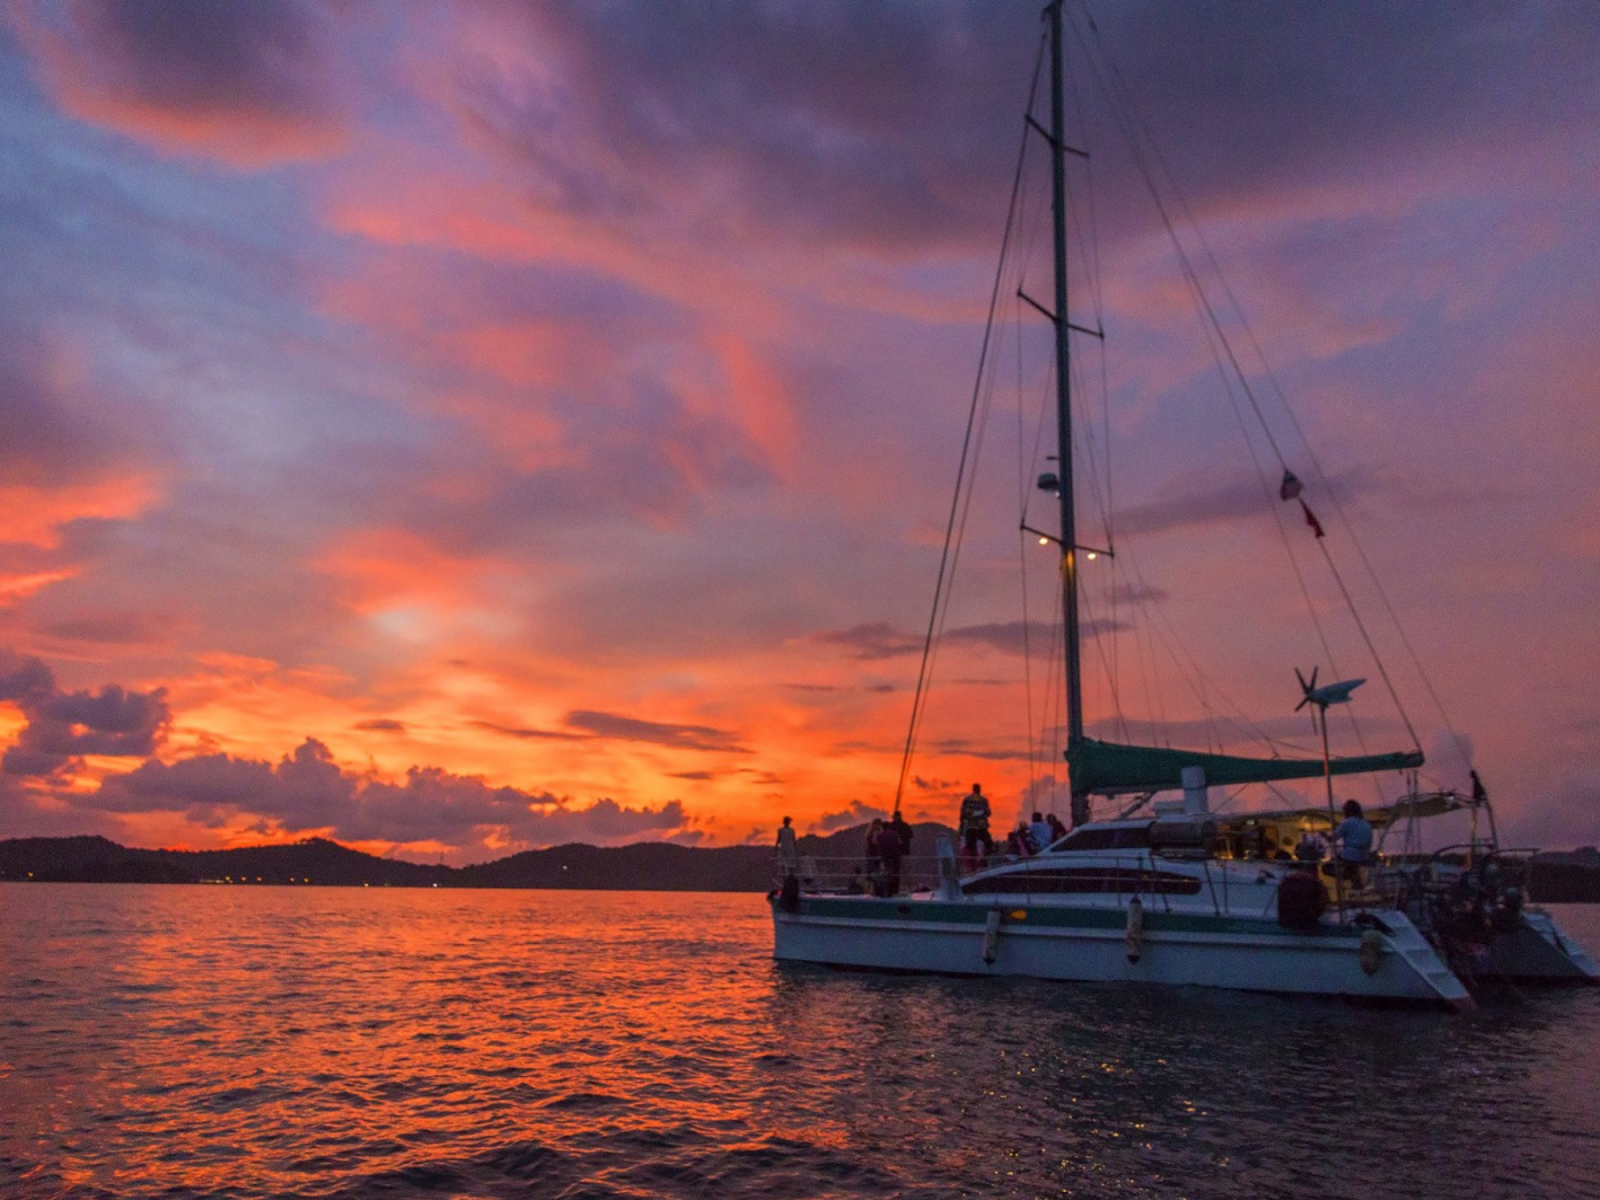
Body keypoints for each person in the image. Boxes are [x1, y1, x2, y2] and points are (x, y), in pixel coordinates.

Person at [1329, 799, 1374, 890]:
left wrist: (1324, 835)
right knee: (1353, 873)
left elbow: (1333, 838)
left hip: (1350, 856)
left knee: (1327, 867)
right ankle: (1355, 883)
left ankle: (1345, 879)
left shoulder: (1347, 823)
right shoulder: (1366, 824)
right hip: (1364, 856)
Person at [958, 784, 994, 870]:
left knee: (982, 846)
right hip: (975, 827)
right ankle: (976, 866)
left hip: (977, 827)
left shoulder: (981, 800)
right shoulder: (971, 800)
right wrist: (980, 813)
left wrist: (974, 814)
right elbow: (987, 812)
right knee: (973, 848)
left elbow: (988, 812)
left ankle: (980, 865)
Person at [875, 820, 903, 897]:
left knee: (887, 874)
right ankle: (895, 890)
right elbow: (900, 843)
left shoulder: (880, 836)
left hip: (885, 858)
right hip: (896, 857)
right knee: (896, 874)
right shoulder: (894, 834)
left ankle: (887, 890)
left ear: (883, 828)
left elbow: (879, 848)